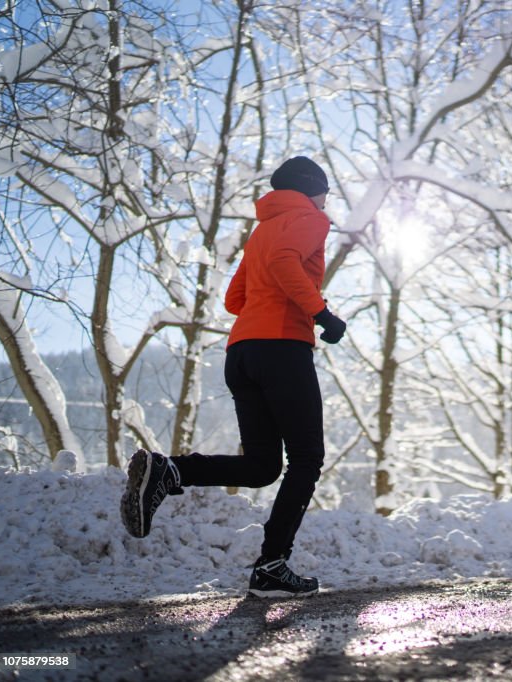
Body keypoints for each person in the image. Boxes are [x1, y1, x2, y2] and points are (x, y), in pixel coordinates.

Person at [120, 156, 347, 598]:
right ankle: (271, 565)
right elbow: (284, 264)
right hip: (282, 349)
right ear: (309, 188)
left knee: (263, 466)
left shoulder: (263, 229)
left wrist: (271, 311)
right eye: (324, 190)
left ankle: (169, 471)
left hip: (242, 352)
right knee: (307, 458)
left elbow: (234, 298)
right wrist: (321, 313)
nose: (326, 200)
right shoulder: (310, 220)